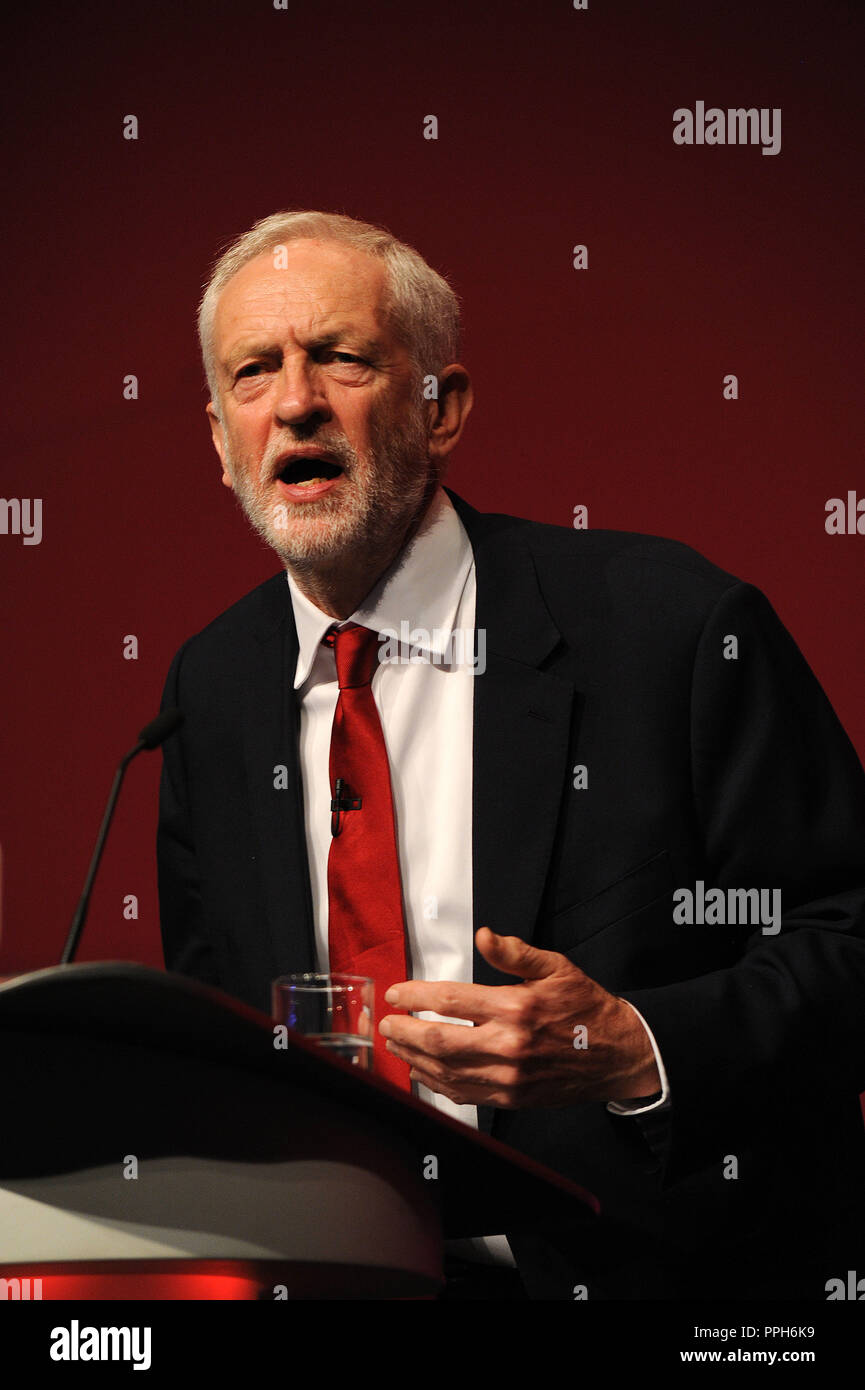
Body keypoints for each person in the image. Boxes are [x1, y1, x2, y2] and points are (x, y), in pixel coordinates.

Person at [158, 209, 865, 1300]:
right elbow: (216, 1036)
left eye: (341, 357)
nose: (294, 399)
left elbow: (848, 940)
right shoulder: (210, 690)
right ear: (219, 440)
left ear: (441, 409)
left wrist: (635, 1044)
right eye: (254, 371)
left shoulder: (672, 630)